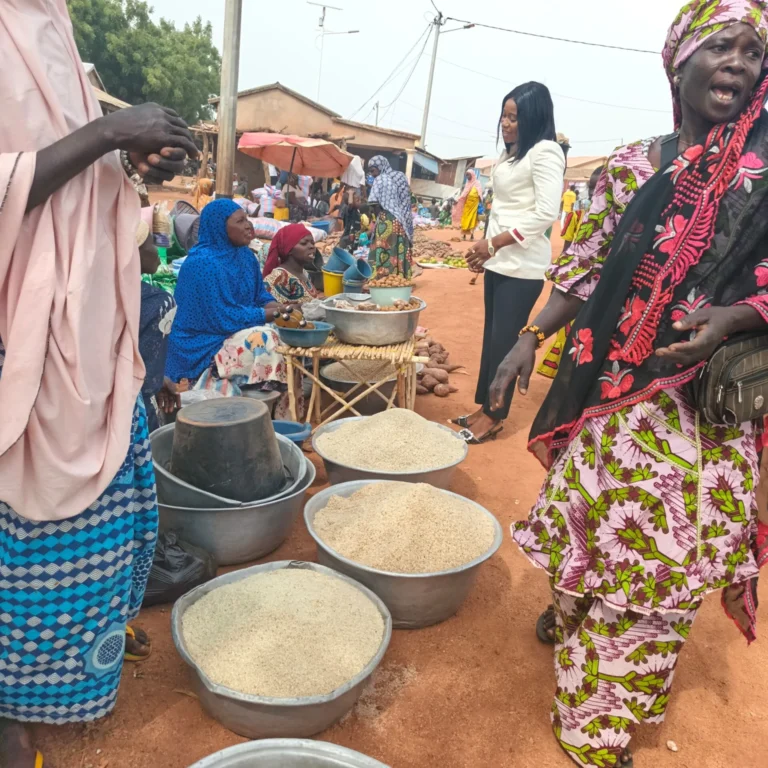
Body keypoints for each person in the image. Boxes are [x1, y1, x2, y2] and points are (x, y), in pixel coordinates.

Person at [489, 3, 768, 765]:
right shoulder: (630, 167)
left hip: (704, 417)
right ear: (677, 62)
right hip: (613, 398)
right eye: (721, 46)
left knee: (654, 569)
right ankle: (574, 616)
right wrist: (525, 341)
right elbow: (580, 271)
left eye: (753, 50)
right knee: (596, 525)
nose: (739, 62)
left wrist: (736, 317)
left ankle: (595, 727)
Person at [0, 1, 197, 763]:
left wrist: (128, 161)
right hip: (20, 328)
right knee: (22, 542)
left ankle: (76, 663)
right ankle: (10, 707)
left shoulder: (52, 22)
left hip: (87, 324)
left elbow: (64, 173)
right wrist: (112, 130)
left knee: (105, 533)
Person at [453, 82, 564, 444]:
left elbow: (546, 212)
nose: (506, 123)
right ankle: (485, 407)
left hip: (522, 267)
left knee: (505, 343)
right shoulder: (513, 154)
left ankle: (495, 417)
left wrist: (495, 244)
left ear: (534, 118)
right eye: (504, 115)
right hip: (499, 261)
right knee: (492, 338)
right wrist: (484, 252)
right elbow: (501, 209)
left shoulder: (546, 152)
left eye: (515, 118)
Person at [165, 199, 299, 419]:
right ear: (220, 227)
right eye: (240, 221)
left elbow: (258, 296)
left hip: (234, 328)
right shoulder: (202, 263)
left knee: (288, 334)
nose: (248, 225)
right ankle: (245, 395)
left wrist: (281, 307)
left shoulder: (245, 256)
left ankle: (280, 412)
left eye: (247, 219)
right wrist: (270, 314)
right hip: (205, 339)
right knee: (266, 338)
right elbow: (222, 318)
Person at [138, 214, 178, 432]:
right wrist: (156, 379)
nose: (157, 251)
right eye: (151, 243)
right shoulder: (159, 302)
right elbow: (143, 382)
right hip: (132, 414)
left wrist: (159, 378)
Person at [368, 155, 415, 278]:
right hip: (399, 219)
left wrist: (375, 221)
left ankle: (383, 278)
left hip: (386, 218)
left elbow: (373, 203)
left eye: (373, 170)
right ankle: (399, 277)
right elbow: (405, 201)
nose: (372, 174)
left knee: (383, 248)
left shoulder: (380, 179)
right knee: (396, 248)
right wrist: (404, 221)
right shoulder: (399, 176)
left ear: (380, 167)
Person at [263, 223, 320, 303]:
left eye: (312, 243)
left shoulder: (304, 273)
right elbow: (276, 311)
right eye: (304, 243)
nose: (312, 246)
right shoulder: (278, 278)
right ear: (289, 250)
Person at [452, 169, 484, 240]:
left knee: (472, 220)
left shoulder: (477, 183)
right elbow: (464, 194)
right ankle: (464, 235)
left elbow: (480, 194)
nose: (467, 176)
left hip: (474, 206)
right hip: (467, 205)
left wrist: (481, 204)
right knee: (465, 219)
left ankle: (472, 235)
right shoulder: (467, 184)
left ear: (472, 175)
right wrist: (458, 200)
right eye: (466, 175)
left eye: (468, 175)